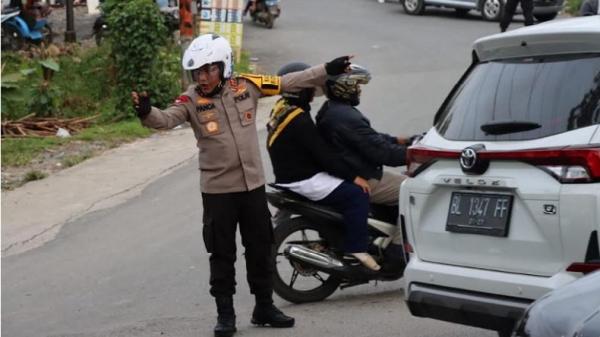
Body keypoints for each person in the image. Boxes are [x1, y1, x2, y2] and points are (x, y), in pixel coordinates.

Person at [131, 34, 353, 337]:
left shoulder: (246, 85)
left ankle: (264, 307)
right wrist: (146, 112)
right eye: (197, 72)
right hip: (218, 192)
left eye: (209, 70)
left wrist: (327, 68)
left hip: (253, 188)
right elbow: (165, 119)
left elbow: (289, 81)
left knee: (260, 249)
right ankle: (226, 315)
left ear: (224, 66)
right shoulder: (191, 100)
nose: (203, 77)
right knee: (221, 254)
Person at [266, 62, 381, 271]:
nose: (313, 93)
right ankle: (357, 247)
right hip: (304, 179)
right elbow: (324, 156)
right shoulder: (299, 119)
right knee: (357, 194)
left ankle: (333, 236)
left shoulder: (282, 109)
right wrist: (354, 177)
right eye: (309, 87)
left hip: (289, 175)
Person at [316, 64, 412, 208]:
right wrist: (416, 155)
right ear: (344, 87)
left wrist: (399, 140)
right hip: (362, 176)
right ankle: (402, 231)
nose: (359, 90)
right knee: (414, 190)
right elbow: (383, 153)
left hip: (350, 171)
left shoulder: (331, 109)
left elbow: (367, 138)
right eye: (356, 85)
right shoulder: (347, 117)